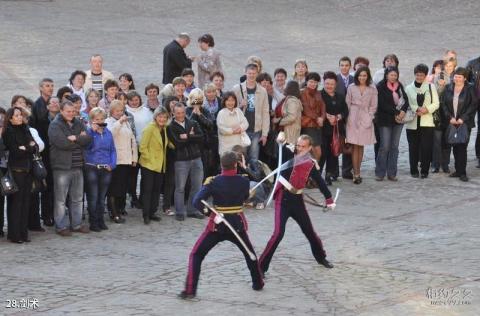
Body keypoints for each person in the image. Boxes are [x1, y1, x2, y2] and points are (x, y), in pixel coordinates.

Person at [179, 151, 264, 299]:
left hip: (217, 226)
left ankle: (190, 290)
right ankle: (258, 283)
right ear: (236, 165)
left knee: (196, 254)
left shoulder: (213, 181)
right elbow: (245, 197)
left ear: (221, 165)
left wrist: (209, 213)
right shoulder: (244, 181)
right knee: (250, 254)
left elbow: (197, 201)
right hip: (237, 224)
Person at [259, 133, 335, 274]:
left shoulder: (310, 163)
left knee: (310, 232)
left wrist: (329, 198)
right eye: (298, 146)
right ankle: (261, 267)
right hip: (283, 199)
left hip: (298, 201)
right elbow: (281, 141)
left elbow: (320, 181)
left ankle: (321, 257)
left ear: (310, 148)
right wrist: (280, 138)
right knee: (278, 234)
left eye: (303, 147)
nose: (299, 149)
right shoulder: (289, 153)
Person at [48, 100, 92, 236]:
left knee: (77, 198)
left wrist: (75, 138)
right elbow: (62, 143)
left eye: (73, 111)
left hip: (78, 166)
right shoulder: (55, 125)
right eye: (68, 111)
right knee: (61, 200)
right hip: (62, 167)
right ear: (61, 111)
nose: (71, 114)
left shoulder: (78, 122)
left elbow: (88, 139)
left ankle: (76, 224)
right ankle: (60, 226)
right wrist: (79, 140)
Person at [3, 107, 38, 243]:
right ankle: (14, 234)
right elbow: (15, 151)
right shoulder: (8, 132)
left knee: (25, 203)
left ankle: (23, 233)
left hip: (28, 170)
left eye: (20, 115)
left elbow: (34, 147)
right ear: (10, 118)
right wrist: (26, 147)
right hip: (16, 171)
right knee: (16, 204)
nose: (19, 117)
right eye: (16, 115)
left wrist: (26, 147)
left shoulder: (25, 128)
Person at [167, 103, 205, 221]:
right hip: (181, 160)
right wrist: (192, 136)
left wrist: (187, 136)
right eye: (178, 113)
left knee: (197, 186)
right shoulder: (170, 127)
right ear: (173, 113)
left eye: (182, 112)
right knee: (180, 187)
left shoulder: (192, 122)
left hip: (196, 158)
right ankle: (179, 211)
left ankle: (192, 210)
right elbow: (177, 143)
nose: (181, 115)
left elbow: (201, 137)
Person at [441, 67, 478, 181]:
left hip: (464, 122)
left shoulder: (470, 88)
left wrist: (463, 118)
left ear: (465, 78)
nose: (457, 79)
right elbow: (443, 104)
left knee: (462, 146)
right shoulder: (448, 88)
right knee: (455, 146)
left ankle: (462, 172)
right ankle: (458, 170)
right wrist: (450, 118)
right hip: (451, 122)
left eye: (459, 77)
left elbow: (474, 105)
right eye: (455, 76)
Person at [405, 64, 439, 179]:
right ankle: (413, 170)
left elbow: (436, 103)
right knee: (413, 147)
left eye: (422, 75)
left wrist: (426, 109)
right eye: (417, 74)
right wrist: (416, 109)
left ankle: (425, 170)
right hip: (412, 122)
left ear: (425, 75)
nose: (419, 77)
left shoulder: (431, 87)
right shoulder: (408, 88)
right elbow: (406, 103)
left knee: (426, 147)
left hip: (427, 122)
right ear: (415, 74)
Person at [84, 107, 116, 231]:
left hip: (106, 168)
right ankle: (93, 222)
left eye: (102, 118)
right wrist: (92, 132)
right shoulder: (89, 132)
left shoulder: (108, 132)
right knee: (93, 196)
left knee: (102, 197)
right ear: (92, 120)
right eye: (97, 119)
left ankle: (101, 220)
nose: (100, 121)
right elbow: (87, 147)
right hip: (92, 167)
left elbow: (112, 150)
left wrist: (112, 164)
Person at [374, 66, 409, 181]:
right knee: (384, 146)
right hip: (385, 121)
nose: (393, 77)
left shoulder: (399, 86)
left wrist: (403, 111)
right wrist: (397, 112)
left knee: (394, 147)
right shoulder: (380, 86)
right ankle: (380, 173)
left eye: (395, 75)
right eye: (391, 75)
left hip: (398, 121)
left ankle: (392, 173)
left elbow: (406, 100)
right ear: (386, 75)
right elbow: (382, 104)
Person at [106, 100, 138, 222]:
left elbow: (133, 140)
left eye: (121, 110)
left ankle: (119, 209)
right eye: (117, 111)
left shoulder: (126, 123)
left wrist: (134, 158)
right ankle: (113, 212)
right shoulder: (109, 122)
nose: (120, 113)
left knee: (122, 187)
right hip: (116, 160)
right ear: (112, 111)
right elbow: (111, 134)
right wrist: (119, 121)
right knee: (114, 188)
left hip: (126, 160)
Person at [345, 66, 378, 184]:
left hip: (365, 117)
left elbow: (374, 106)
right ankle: (356, 173)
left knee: (361, 146)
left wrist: (369, 117)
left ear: (368, 76)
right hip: (353, 117)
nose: (362, 77)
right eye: (360, 75)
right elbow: (347, 103)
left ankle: (358, 171)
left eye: (364, 75)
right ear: (356, 76)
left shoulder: (372, 89)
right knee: (354, 146)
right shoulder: (351, 87)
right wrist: (347, 118)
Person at [139, 107, 170, 224]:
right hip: (149, 165)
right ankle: (146, 214)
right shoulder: (150, 128)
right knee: (147, 190)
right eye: (160, 116)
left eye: (164, 117)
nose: (162, 119)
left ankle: (152, 212)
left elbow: (167, 143)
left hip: (160, 164)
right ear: (155, 117)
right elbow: (142, 147)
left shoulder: (165, 129)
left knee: (156, 190)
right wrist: (150, 159)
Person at [233, 64, 270, 160]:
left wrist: (265, 134)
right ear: (245, 73)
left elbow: (265, 113)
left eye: (254, 73)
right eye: (249, 73)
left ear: (257, 74)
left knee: (254, 158)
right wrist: (240, 105)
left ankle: (254, 175)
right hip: (241, 130)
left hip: (256, 130)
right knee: (241, 158)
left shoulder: (262, 91)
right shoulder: (237, 89)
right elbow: (229, 110)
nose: (251, 75)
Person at [320, 71, 349, 185]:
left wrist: (338, 117)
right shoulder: (320, 95)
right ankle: (317, 175)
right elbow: (317, 110)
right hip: (323, 129)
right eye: (327, 83)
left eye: (331, 84)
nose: (329, 86)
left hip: (336, 130)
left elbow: (345, 111)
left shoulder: (340, 96)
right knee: (323, 152)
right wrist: (327, 117)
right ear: (324, 82)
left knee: (333, 152)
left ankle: (329, 174)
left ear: (335, 84)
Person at [125, 90, 151, 209]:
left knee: (145, 174)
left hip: (145, 147)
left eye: (136, 100)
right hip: (132, 148)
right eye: (132, 100)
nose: (134, 102)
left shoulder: (146, 111)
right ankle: (133, 197)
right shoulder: (126, 112)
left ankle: (143, 197)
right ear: (128, 101)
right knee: (132, 175)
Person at [186, 88, 216, 177]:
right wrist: (194, 114)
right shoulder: (187, 110)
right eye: (195, 99)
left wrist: (200, 115)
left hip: (204, 146)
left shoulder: (205, 110)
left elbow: (210, 125)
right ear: (191, 99)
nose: (197, 102)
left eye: (199, 100)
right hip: (191, 146)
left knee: (205, 171)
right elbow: (187, 127)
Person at [335, 57, 355, 180]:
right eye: (342, 65)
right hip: (338, 116)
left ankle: (347, 170)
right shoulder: (335, 79)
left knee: (349, 142)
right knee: (337, 142)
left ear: (350, 66)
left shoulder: (354, 79)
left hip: (352, 116)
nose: (344, 67)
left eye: (346, 65)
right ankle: (334, 171)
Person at [300, 72, 325, 161]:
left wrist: (322, 117)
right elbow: (306, 109)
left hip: (317, 126)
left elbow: (323, 106)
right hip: (308, 125)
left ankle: (312, 172)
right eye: (311, 81)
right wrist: (317, 118)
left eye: (315, 82)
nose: (313, 84)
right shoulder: (302, 93)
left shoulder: (318, 93)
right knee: (316, 151)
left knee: (314, 152)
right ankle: (313, 171)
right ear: (307, 81)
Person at [465, 55, 480, 168]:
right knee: (467, 126)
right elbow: (465, 82)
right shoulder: (472, 63)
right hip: (472, 99)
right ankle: (462, 153)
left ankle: (479, 156)